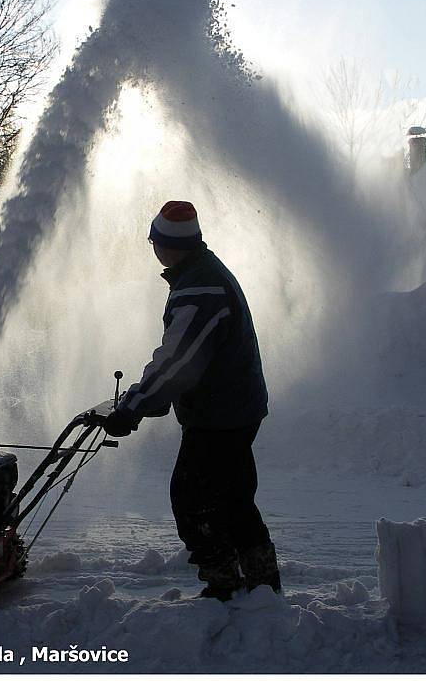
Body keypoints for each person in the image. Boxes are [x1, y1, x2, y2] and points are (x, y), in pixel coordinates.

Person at [103, 200, 281, 601]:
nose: (153, 249)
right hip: (235, 405)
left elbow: (179, 359)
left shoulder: (200, 288)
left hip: (221, 414)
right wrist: (146, 399)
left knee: (192, 499)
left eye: (154, 242)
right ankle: (263, 584)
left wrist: (134, 405)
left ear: (166, 245)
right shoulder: (202, 273)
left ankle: (224, 584)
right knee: (233, 499)